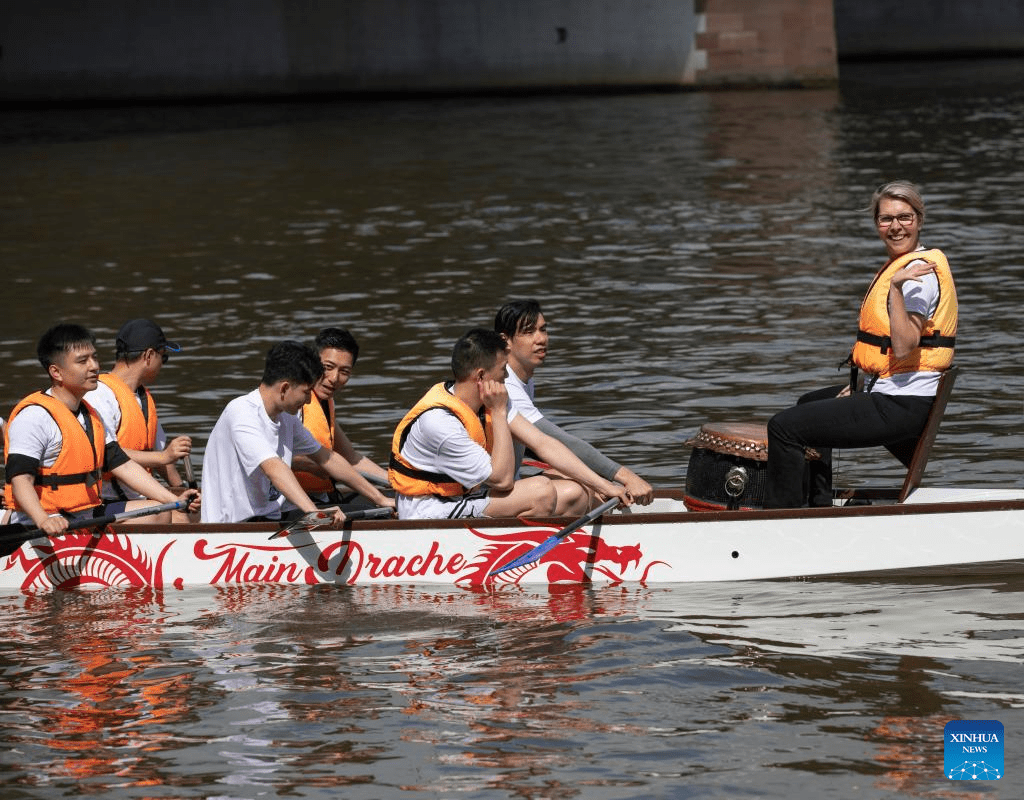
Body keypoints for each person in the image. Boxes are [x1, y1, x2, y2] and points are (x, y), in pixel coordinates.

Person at [765, 180, 957, 508]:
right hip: (893, 394)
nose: (895, 227)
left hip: (902, 406)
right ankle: (817, 504)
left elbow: (904, 347)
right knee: (807, 403)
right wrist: (862, 388)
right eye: (886, 219)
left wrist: (896, 289)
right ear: (877, 225)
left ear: (919, 220)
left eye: (905, 218)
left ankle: (781, 521)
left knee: (783, 428)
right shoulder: (904, 265)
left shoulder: (916, 276)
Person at [389, 328, 629, 520]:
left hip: (465, 497)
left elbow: (543, 443)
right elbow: (502, 480)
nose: (506, 377)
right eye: (503, 370)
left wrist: (604, 485)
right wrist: (499, 412)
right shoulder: (440, 422)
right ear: (481, 376)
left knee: (576, 491)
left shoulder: (490, 400)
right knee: (541, 491)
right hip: (429, 511)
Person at [3, 324, 199, 534]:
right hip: (42, 520)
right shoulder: (34, 417)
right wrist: (43, 519)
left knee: (161, 512)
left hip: (85, 513)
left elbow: (123, 466)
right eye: (82, 361)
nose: (94, 366)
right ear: (56, 372)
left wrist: (173, 499)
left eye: (94, 358)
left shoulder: (91, 415)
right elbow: (20, 480)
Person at [200, 340, 395, 524]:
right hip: (233, 526)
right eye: (307, 391)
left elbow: (327, 458)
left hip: (270, 518)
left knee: (378, 512)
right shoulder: (241, 412)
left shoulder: (287, 419)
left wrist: (381, 498)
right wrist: (314, 512)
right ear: (284, 387)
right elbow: (274, 468)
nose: (310, 400)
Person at [494, 300, 654, 506]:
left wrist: (600, 481)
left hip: (508, 484)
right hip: (489, 493)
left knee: (575, 476)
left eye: (543, 330)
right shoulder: (505, 384)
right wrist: (624, 476)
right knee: (578, 490)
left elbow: (533, 445)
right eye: (528, 332)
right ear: (505, 340)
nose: (541, 339)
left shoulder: (522, 378)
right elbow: (552, 440)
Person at [84, 319, 194, 521]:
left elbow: (161, 457)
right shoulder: (99, 395)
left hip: (137, 496)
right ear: (149, 356)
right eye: (164, 357)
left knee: (188, 515)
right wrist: (164, 456)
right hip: (104, 500)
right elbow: (108, 453)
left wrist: (183, 491)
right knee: (165, 516)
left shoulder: (142, 398)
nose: (163, 364)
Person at [291, 327, 388, 503]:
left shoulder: (325, 401)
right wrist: (315, 465)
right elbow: (270, 456)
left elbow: (351, 458)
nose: (334, 378)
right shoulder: (292, 402)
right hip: (289, 505)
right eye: (328, 367)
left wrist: (394, 482)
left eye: (344, 372)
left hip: (320, 498)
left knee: (396, 494)